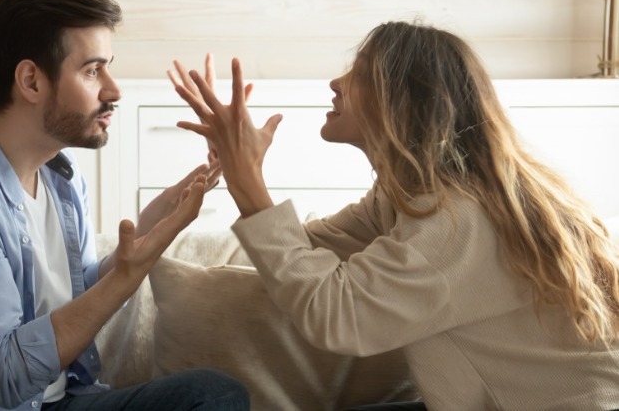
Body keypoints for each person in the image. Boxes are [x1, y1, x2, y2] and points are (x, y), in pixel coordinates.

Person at [169, 21, 619, 410]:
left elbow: (338, 316)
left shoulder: (458, 222)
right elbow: (302, 252)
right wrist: (238, 170)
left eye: (361, 73)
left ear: (406, 102)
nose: (336, 82)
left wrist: (251, 185)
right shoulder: (408, 196)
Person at [0, 0, 250, 411]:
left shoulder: (60, 176)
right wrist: (126, 276)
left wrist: (150, 231)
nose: (114, 90)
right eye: (92, 70)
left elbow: (78, 300)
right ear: (30, 80)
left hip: (56, 402)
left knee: (212, 395)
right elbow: (2, 379)